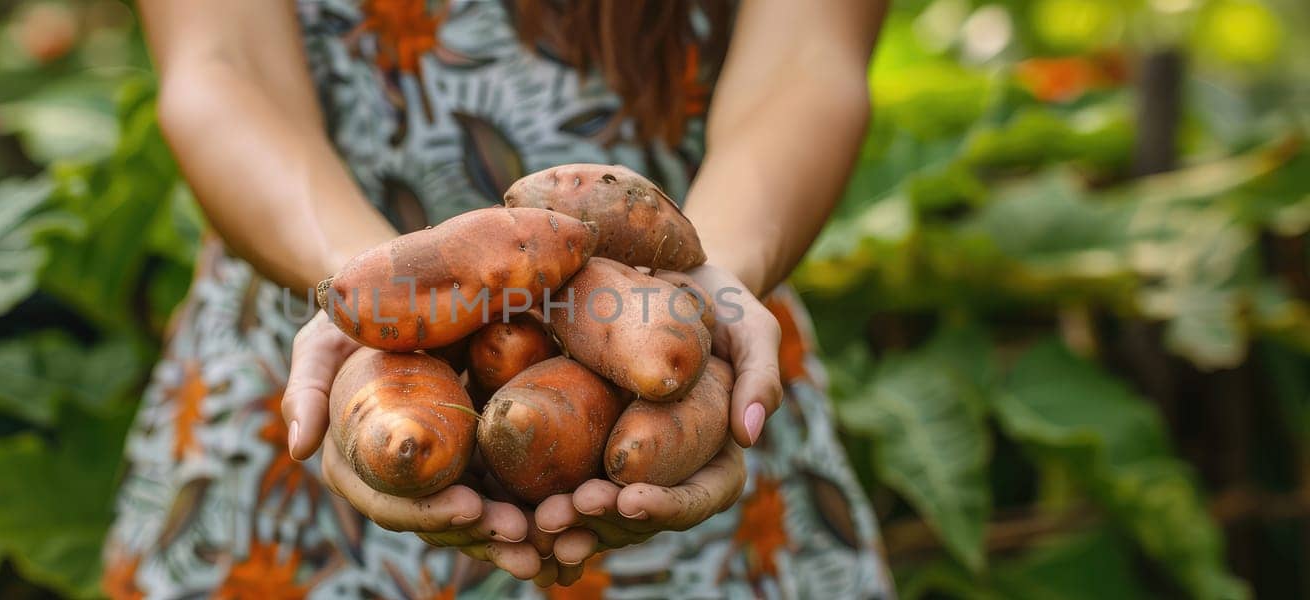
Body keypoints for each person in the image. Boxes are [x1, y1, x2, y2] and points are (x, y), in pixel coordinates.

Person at [103, 0, 891, 597]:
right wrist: (371, 288)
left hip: (693, 333)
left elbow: (807, 62)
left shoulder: (675, 352)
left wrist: (719, 273)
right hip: (311, 370)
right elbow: (221, 65)